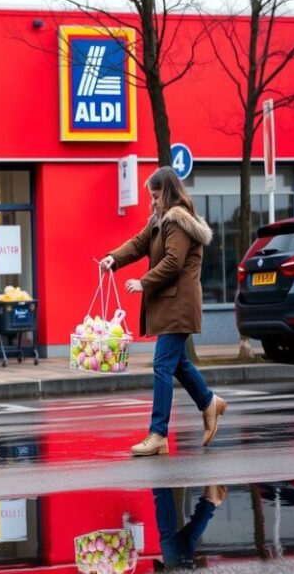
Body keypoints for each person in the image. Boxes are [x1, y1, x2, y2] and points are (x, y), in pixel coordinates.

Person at [99, 166, 226, 456]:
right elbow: (138, 243)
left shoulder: (177, 221)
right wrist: (112, 259)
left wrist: (143, 282)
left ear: (168, 193)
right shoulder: (160, 220)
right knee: (177, 363)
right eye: (151, 196)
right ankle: (209, 402)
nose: (152, 202)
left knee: (162, 365)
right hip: (171, 303)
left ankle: (158, 433)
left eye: (156, 196)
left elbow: (173, 262)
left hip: (178, 304)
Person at [153, 485, 227, 571]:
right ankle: (161, 488)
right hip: (177, 568)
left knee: (187, 537)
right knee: (168, 537)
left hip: (186, 567)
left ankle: (210, 503)